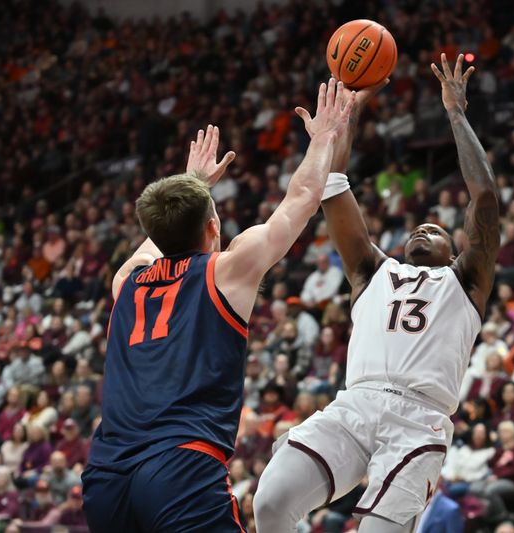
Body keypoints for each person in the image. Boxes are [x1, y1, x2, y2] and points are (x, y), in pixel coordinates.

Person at [83, 80, 354, 533]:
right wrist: (325, 136)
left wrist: (192, 185)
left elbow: (159, 238)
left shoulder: (126, 283)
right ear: (213, 224)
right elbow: (301, 200)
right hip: (179, 469)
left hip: (106, 478)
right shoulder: (226, 270)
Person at [255, 55, 499, 533]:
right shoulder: (372, 271)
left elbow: (485, 198)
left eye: (437, 228)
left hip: (419, 419)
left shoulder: (465, 280)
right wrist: (345, 120)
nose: (425, 226)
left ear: (455, 250)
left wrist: (455, 113)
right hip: (355, 405)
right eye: (418, 226)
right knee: (270, 502)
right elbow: (333, 185)